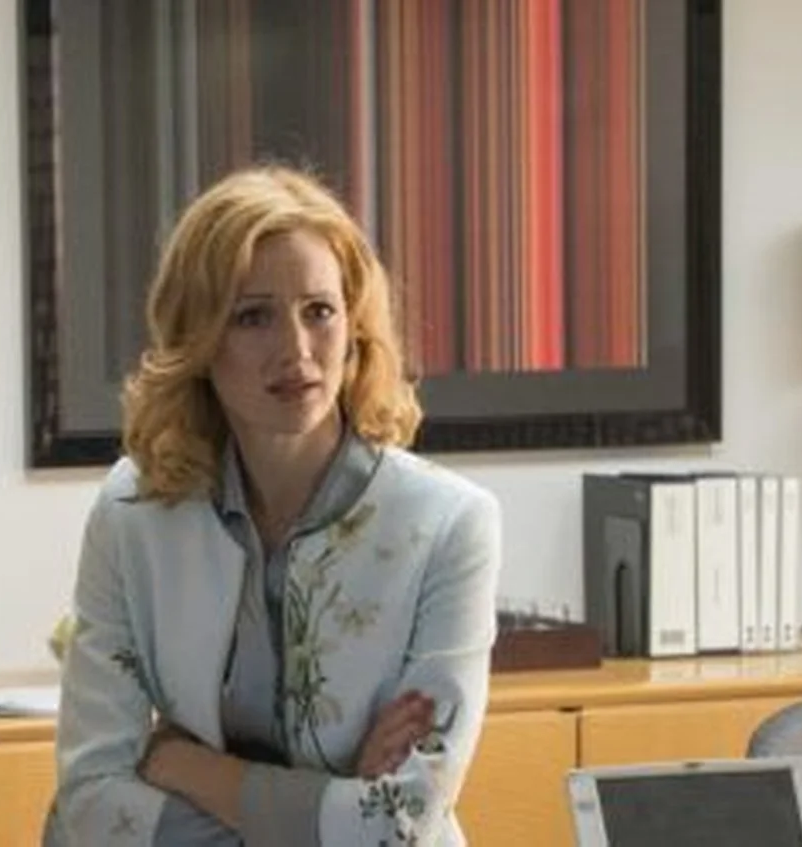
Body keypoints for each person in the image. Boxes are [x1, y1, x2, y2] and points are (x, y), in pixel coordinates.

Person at [47, 166, 502, 845]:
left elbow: (401, 821)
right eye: (252, 316)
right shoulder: (132, 510)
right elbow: (89, 802)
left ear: (355, 325)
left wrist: (183, 764)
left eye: (319, 311)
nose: (296, 350)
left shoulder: (448, 523)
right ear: (199, 339)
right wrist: (334, 803)